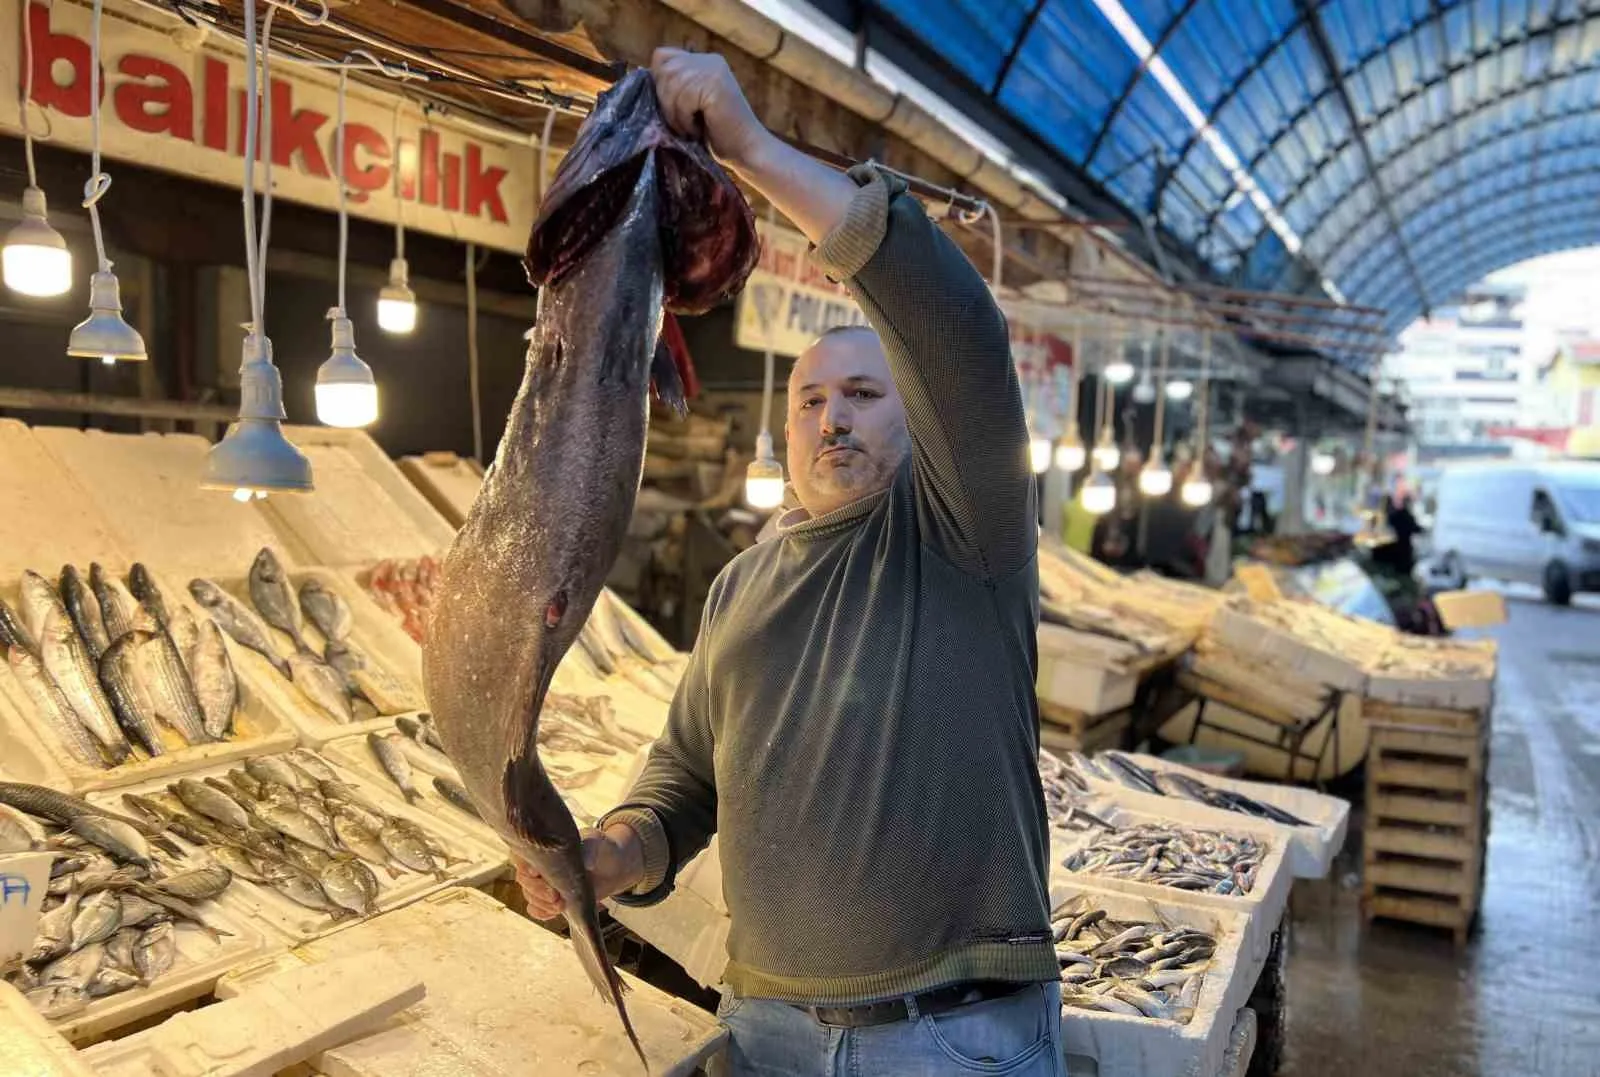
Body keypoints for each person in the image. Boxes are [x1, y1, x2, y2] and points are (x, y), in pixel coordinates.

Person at [516, 48, 1064, 1077]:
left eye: (863, 394)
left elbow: (953, 326)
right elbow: (684, 777)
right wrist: (615, 853)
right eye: (809, 401)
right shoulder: (741, 585)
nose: (831, 417)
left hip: (949, 1037)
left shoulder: (963, 534)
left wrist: (754, 150)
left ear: (922, 417)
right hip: (764, 1029)